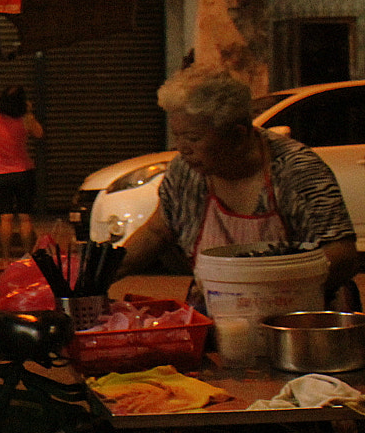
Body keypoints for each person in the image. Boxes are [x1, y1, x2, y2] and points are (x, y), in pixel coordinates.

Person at [116, 66, 360, 305]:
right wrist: (102, 275)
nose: (182, 148)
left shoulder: (296, 170)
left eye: (194, 138)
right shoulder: (184, 172)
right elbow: (157, 232)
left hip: (298, 319)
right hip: (219, 311)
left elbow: (342, 253)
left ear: (239, 133)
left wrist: (269, 291)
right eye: (177, 136)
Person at [0, 85, 44, 257]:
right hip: (23, 172)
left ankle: (5, 258)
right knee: (25, 218)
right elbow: (39, 133)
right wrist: (28, 111)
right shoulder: (25, 119)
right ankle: (27, 257)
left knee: (5, 219)